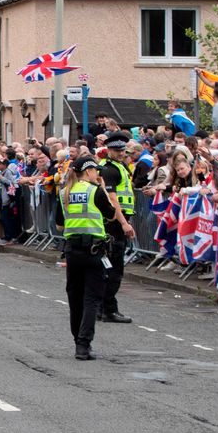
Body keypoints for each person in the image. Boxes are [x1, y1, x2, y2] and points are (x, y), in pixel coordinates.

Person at [56, 157, 116, 360]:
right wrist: (103, 188)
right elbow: (111, 215)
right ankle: (83, 345)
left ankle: (77, 341)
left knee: (75, 298)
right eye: (95, 170)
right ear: (88, 170)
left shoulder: (64, 192)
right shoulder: (95, 191)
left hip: (73, 252)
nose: (97, 174)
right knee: (91, 298)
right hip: (94, 251)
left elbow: (59, 225)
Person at [97, 132, 137, 323]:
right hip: (113, 223)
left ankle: (101, 307)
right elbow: (112, 199)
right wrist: (124, 223)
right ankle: (108, 309)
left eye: (122, 150)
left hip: (115, 221)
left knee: (107, 266)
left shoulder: (118, 167)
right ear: (108, 151)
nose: (121, 153)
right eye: (116, 150)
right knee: (113, 268)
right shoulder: (110, 169)